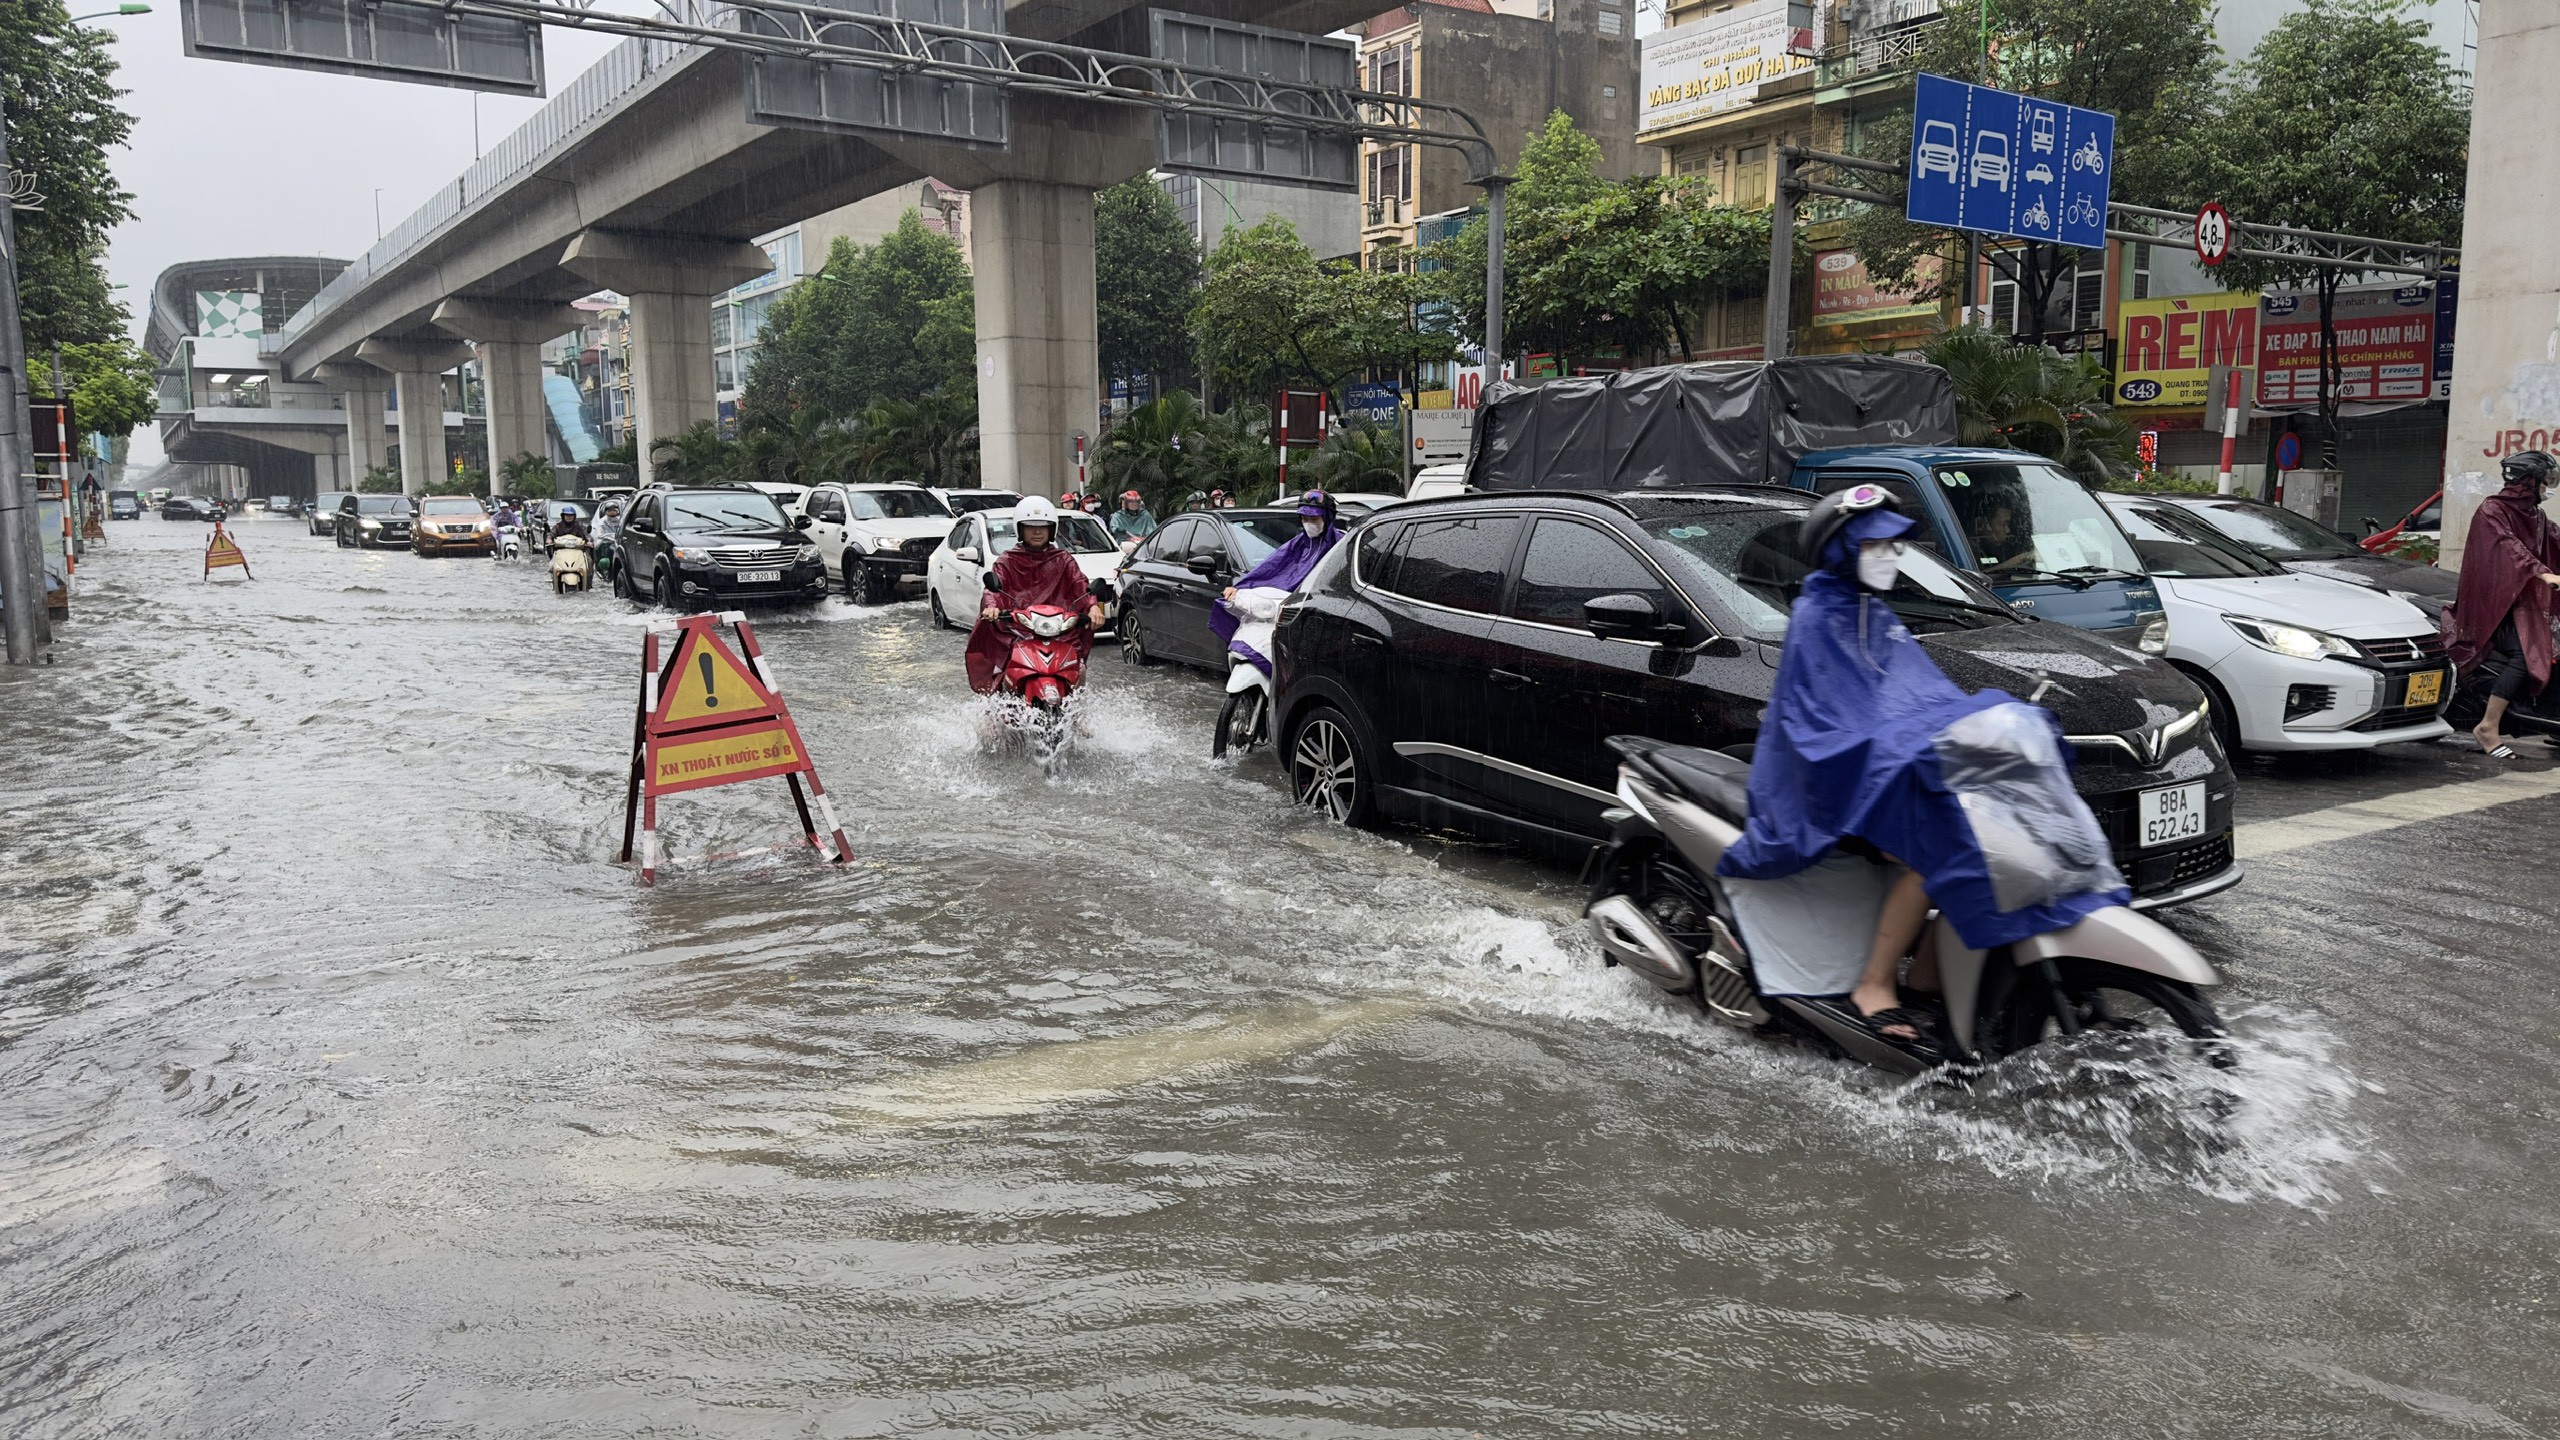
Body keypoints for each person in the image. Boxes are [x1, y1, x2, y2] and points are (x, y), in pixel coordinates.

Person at [1714, 486, 2128, 1053]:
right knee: (1931, 851)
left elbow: (1920, 695)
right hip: (1825, 783)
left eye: (1893, 544)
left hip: (1881, 767)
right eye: (1873, 545)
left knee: (1986, 840)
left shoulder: (1872, 612)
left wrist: (1982, 720)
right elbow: (1827, 723)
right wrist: (1910, 742)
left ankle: (1930, 977)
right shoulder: (1819, 614)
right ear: (1840, 551)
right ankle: (1874, 984)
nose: (1889, 555)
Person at [2448, 450, 2560, 757]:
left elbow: (2555, 540)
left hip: (2526, 599)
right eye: (2544, 481)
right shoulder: (2492, 510)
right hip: (2497, 604)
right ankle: (2488, 726)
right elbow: (2508, 548)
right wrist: (2541, 573)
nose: (2548, 487)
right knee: (2525, 658)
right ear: (2527, 481)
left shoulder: (2536, 515)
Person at [966, 495, 1105, 694]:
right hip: (1019, 630)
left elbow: (1079, 583)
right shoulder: (1007, 560)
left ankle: (1077, 713)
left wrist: (1092, 606)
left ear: (1052, 529)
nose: (1037, 531)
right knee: (1001, 670)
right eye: (1031, 526)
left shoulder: (1063, 559)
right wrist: (992, 607)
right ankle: (997, 714)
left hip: (1059, 630)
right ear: (1021, 529)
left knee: (1079, 669)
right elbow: (993, 588)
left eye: (1043, 526)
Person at [1209, 490, 1344, 672]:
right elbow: (1269, 569)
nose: (1309, 524)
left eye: (1314, 519)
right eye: (1304, 518)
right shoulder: (1298, 544)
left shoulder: (1341, 545)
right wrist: (1239, 587)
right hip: (1285, 610)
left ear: (1327, 518)